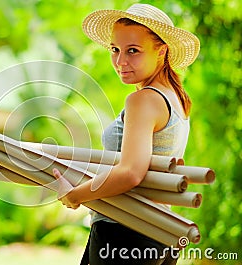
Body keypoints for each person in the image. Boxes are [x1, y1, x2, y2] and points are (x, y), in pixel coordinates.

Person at [52, 3, 200, 265]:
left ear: (161, 51)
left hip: (123, 233)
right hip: (160, 232)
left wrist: (74, 195)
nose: (120, 61)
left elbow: (131, 172)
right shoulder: (176, 98)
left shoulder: (143, 100)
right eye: (115, 50)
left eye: (133, 51)